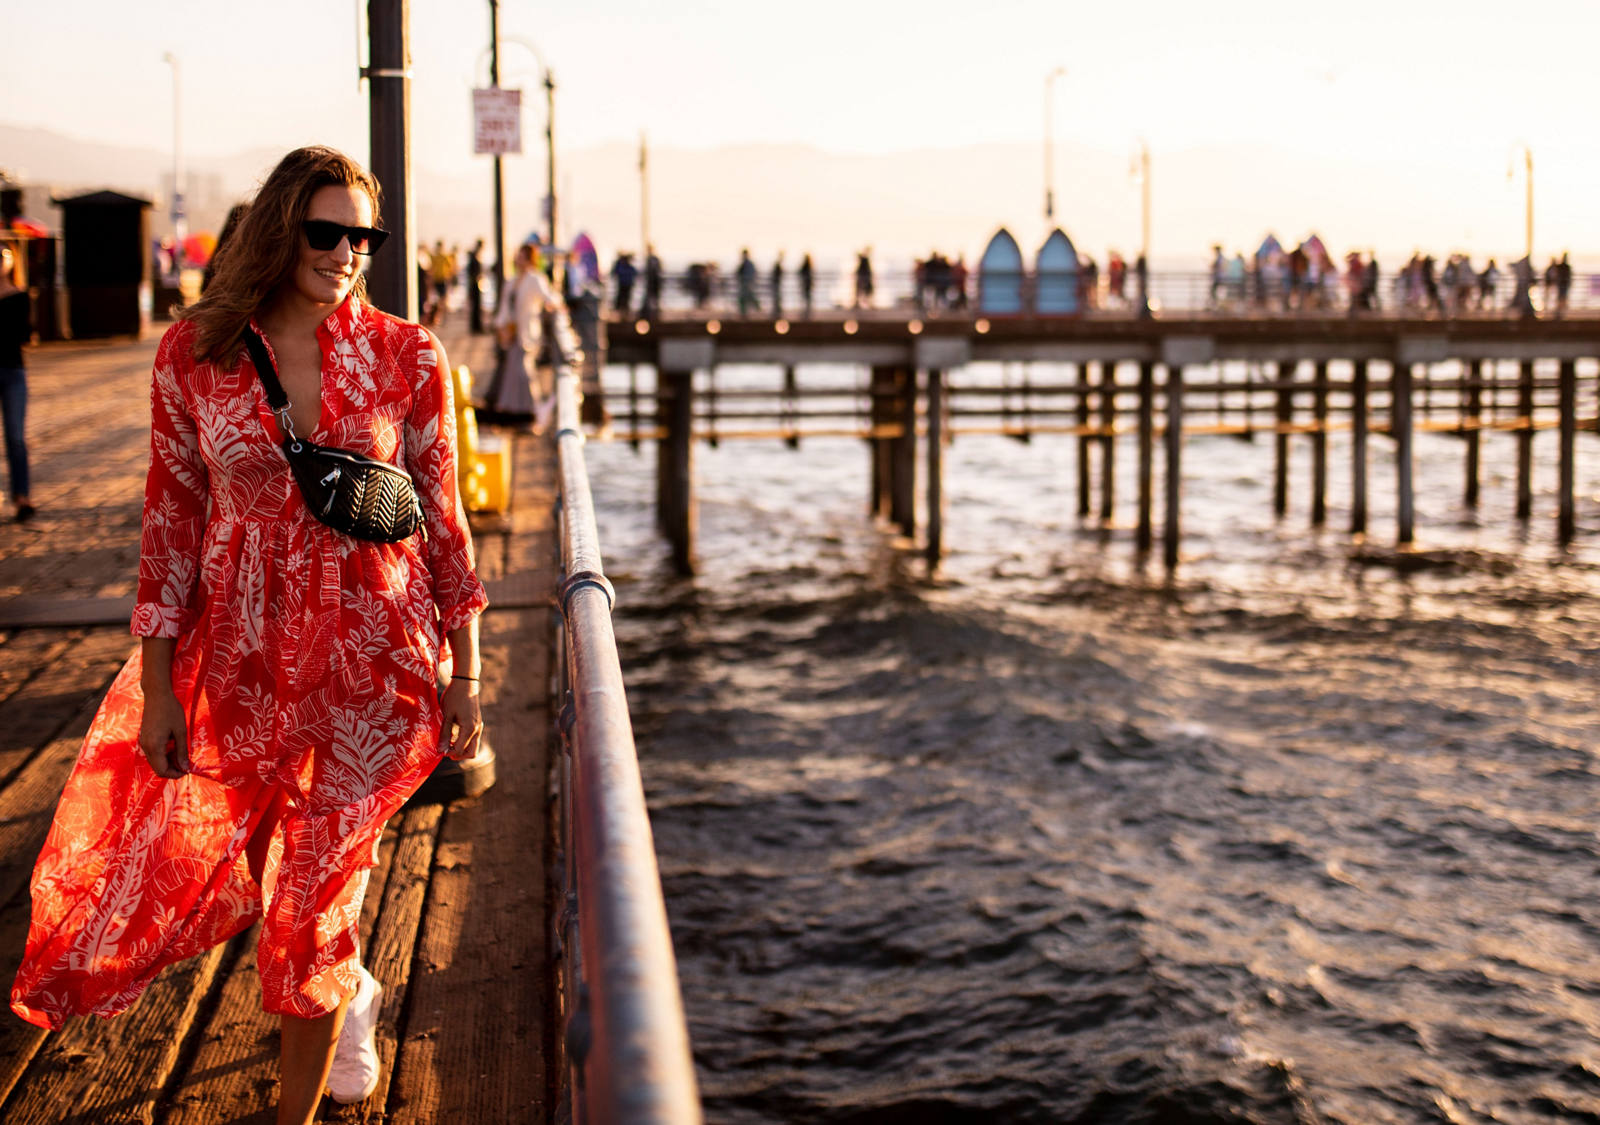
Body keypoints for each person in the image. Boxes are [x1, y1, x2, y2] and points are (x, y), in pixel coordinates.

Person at [9, 146, 488, 1125]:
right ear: (280, 230)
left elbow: (444, 521)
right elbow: (171, 526)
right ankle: (348, 988)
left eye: (364, 235)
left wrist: (466, 673)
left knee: (310, 903)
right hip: (241, 667)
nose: (347, 251)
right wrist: (155, 687)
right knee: (229, 883)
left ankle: (296, 1103)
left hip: (374, 671)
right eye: (326, 231)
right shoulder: (195, 356)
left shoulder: (409, 355)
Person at [490, 239, 562, 428]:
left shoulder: (535, 279)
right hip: (512, 332)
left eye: (523, 257)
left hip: (527, 333)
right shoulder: (512, 281)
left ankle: (532, 409)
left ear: (530, 259)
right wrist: (501, 326)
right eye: (518, 257)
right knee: (514, 372)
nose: (519, 260)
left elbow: (550, 297)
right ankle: (520, 412)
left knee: (522, 370)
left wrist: (556, 306)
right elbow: (505, 307)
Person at [0, 244, 34, 521]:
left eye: (3, 256)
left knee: (16, 437)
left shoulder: (20, 297)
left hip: (13, 371)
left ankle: (22, 496)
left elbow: (24, 334)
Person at [466, 238, 485, 334]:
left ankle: (476, 326)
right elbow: (473, 272)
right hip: (475, 285)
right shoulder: (475, 256)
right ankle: (476, 327)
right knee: (476, 307)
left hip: (475, 284)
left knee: (476, 307)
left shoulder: (474, 256)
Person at [611, 251, 637, 315]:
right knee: (621, 297)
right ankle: (619, 310)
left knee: (625, 297)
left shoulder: (627, 266)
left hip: (627, 283)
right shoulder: (620, 265)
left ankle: (624, 310)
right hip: (623, 283)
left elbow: (634, 272)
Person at [736, 249, 757, 317]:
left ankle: (745, 312)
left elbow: (751, 274)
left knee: (745, 298)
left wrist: (749, 282)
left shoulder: (748, 264)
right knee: (746, 298)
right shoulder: (745, 263)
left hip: (746, 283)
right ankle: (745, 312)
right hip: (744, 283)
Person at [797, 253, 814, 318]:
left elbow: (800, 272)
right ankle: (807, 311)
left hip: (805, 284)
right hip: (807, 284)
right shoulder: (809, 265)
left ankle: (805, 310)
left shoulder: (804, 265)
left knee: (805, 297)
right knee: (807, 297)